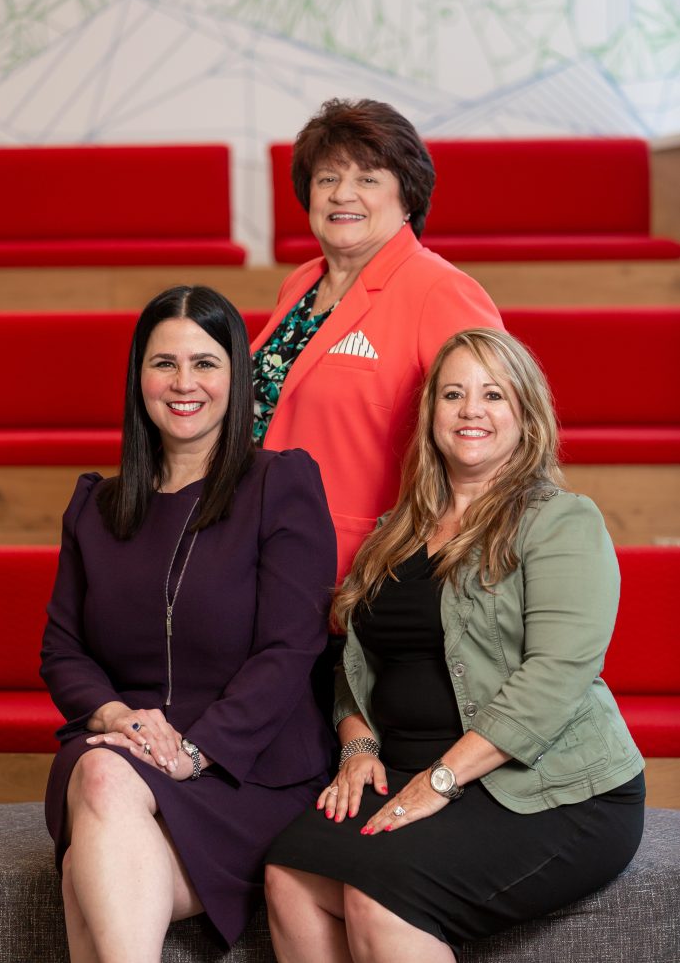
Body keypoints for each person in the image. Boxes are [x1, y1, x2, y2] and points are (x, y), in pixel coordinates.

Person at [264, 327, 645, 963]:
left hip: (548, 788)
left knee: (380, 896)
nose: (472, 410)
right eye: (453, 394)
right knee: (290, 876)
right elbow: (355, 667)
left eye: (493, 394)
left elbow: (556, 676)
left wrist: (440, 780)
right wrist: (357, 745)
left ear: (525, 415)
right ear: (431, 414)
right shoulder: (393, 532)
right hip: (409, 767)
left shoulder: (560, 521)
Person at [40, 286, 337, 963]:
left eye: (205, 363)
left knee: (89, 854)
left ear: (236, 378)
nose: (183, 383)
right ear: (138, 377)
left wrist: (196, 751)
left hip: (251, 770)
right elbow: (63, 649)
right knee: (101, 775)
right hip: (127, 751)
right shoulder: (95, 507)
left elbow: (290, 647)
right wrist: (118, 717)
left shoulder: (280, 485)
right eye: (163, 363)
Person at [252, 98, 503, 581]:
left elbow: (493, 436)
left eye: (367, 179)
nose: (342, 194)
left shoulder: (441, 290)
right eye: (327, 178)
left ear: (407, 197)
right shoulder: (300, 283)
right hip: (269, 551)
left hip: (371, 569)